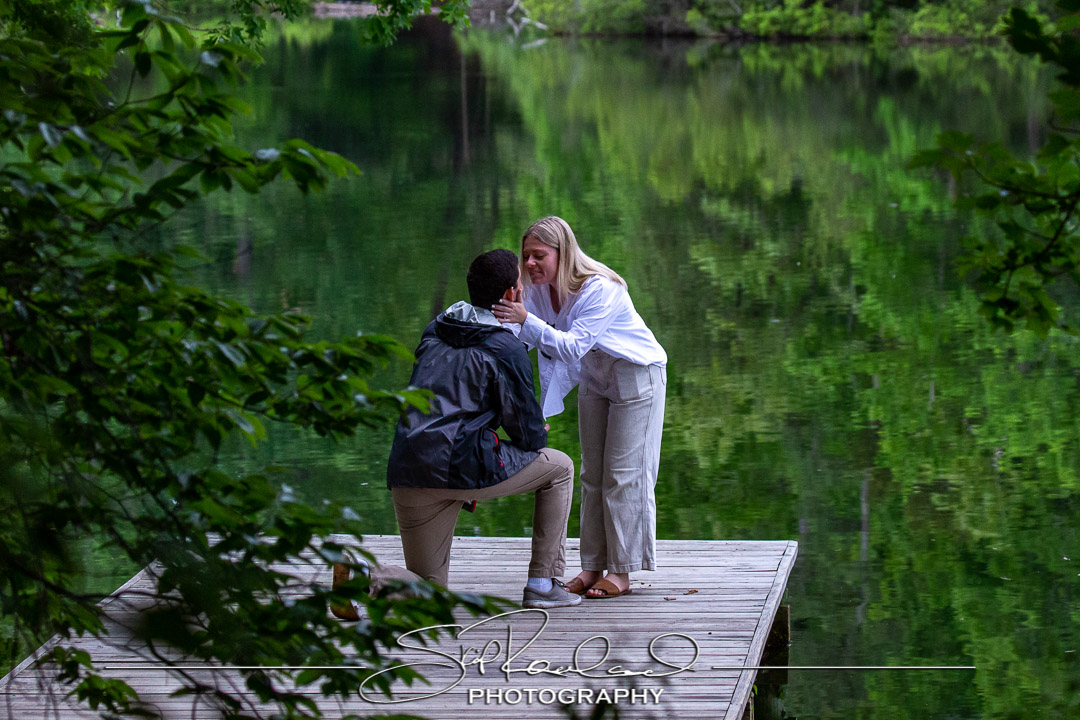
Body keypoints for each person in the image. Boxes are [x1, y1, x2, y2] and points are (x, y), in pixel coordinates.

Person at [334, 249, 581, 618]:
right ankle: (543, 585)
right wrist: (535, 428)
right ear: (512, 294)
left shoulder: (434, 330)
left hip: (409, 468)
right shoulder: (506, 348)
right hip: (462, 466)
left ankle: (366, 576)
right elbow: (529, 437)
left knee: (430, 591)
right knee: (559, 468)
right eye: (520, 284)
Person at [491, 217, 666, 600]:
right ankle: (592, 565)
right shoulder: (536, 292)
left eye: (539, 255)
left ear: (563, 252)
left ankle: (622, 571)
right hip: (594, 376)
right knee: (592, 474)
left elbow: (569, 345)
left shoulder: (601, 289)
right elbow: (520, 339)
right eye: (526, 256)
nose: (531, 263)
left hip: (636, 374)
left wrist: (525, 321)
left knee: (625, 474)